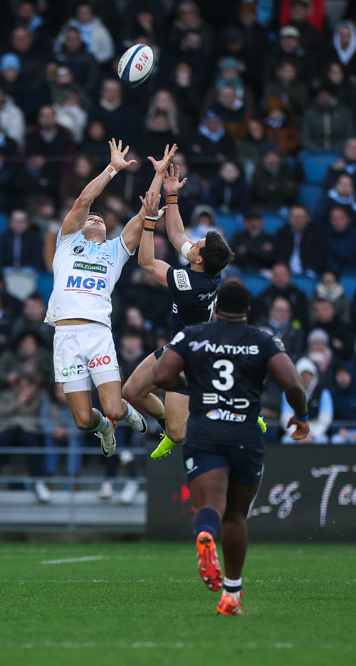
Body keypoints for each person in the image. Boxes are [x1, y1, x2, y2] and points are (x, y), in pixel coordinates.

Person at [153, 281, 309, 616]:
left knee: (209, 505)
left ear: (216, 307)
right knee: (236, 515)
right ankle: (231, 595)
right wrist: (302, 416)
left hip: (205, 431)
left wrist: (193, 386)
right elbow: (293, 384)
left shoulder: (193, 334)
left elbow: (161, 375)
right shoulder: (262, 339)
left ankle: (204, 535)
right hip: (245, 434)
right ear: (248, 311)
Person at [44, 138, 155, 457]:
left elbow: (146, 211)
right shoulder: (66, 243)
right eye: (92, 217)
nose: (95, 218)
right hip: (66, 336)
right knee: (82, 420)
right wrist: (112, 169)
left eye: (102, 219)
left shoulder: (115, 251)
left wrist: (159, 177)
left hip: (97, 334)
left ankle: (125, 415)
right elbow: (82, 201)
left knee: (115, 409)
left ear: (108, 232)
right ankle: (104, 429)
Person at [123, 161, 238, 460]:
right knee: (132, 392)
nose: (191, 243)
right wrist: (171, 197)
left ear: (198, 260)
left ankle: (234, 420)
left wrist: (149, 220)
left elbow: (147, 262)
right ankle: (197, 415)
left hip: (190, 356)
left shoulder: (191, 283)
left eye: (195, 246)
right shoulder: (211, 268)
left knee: (179, 432)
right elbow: (176, 236)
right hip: (179, 345)